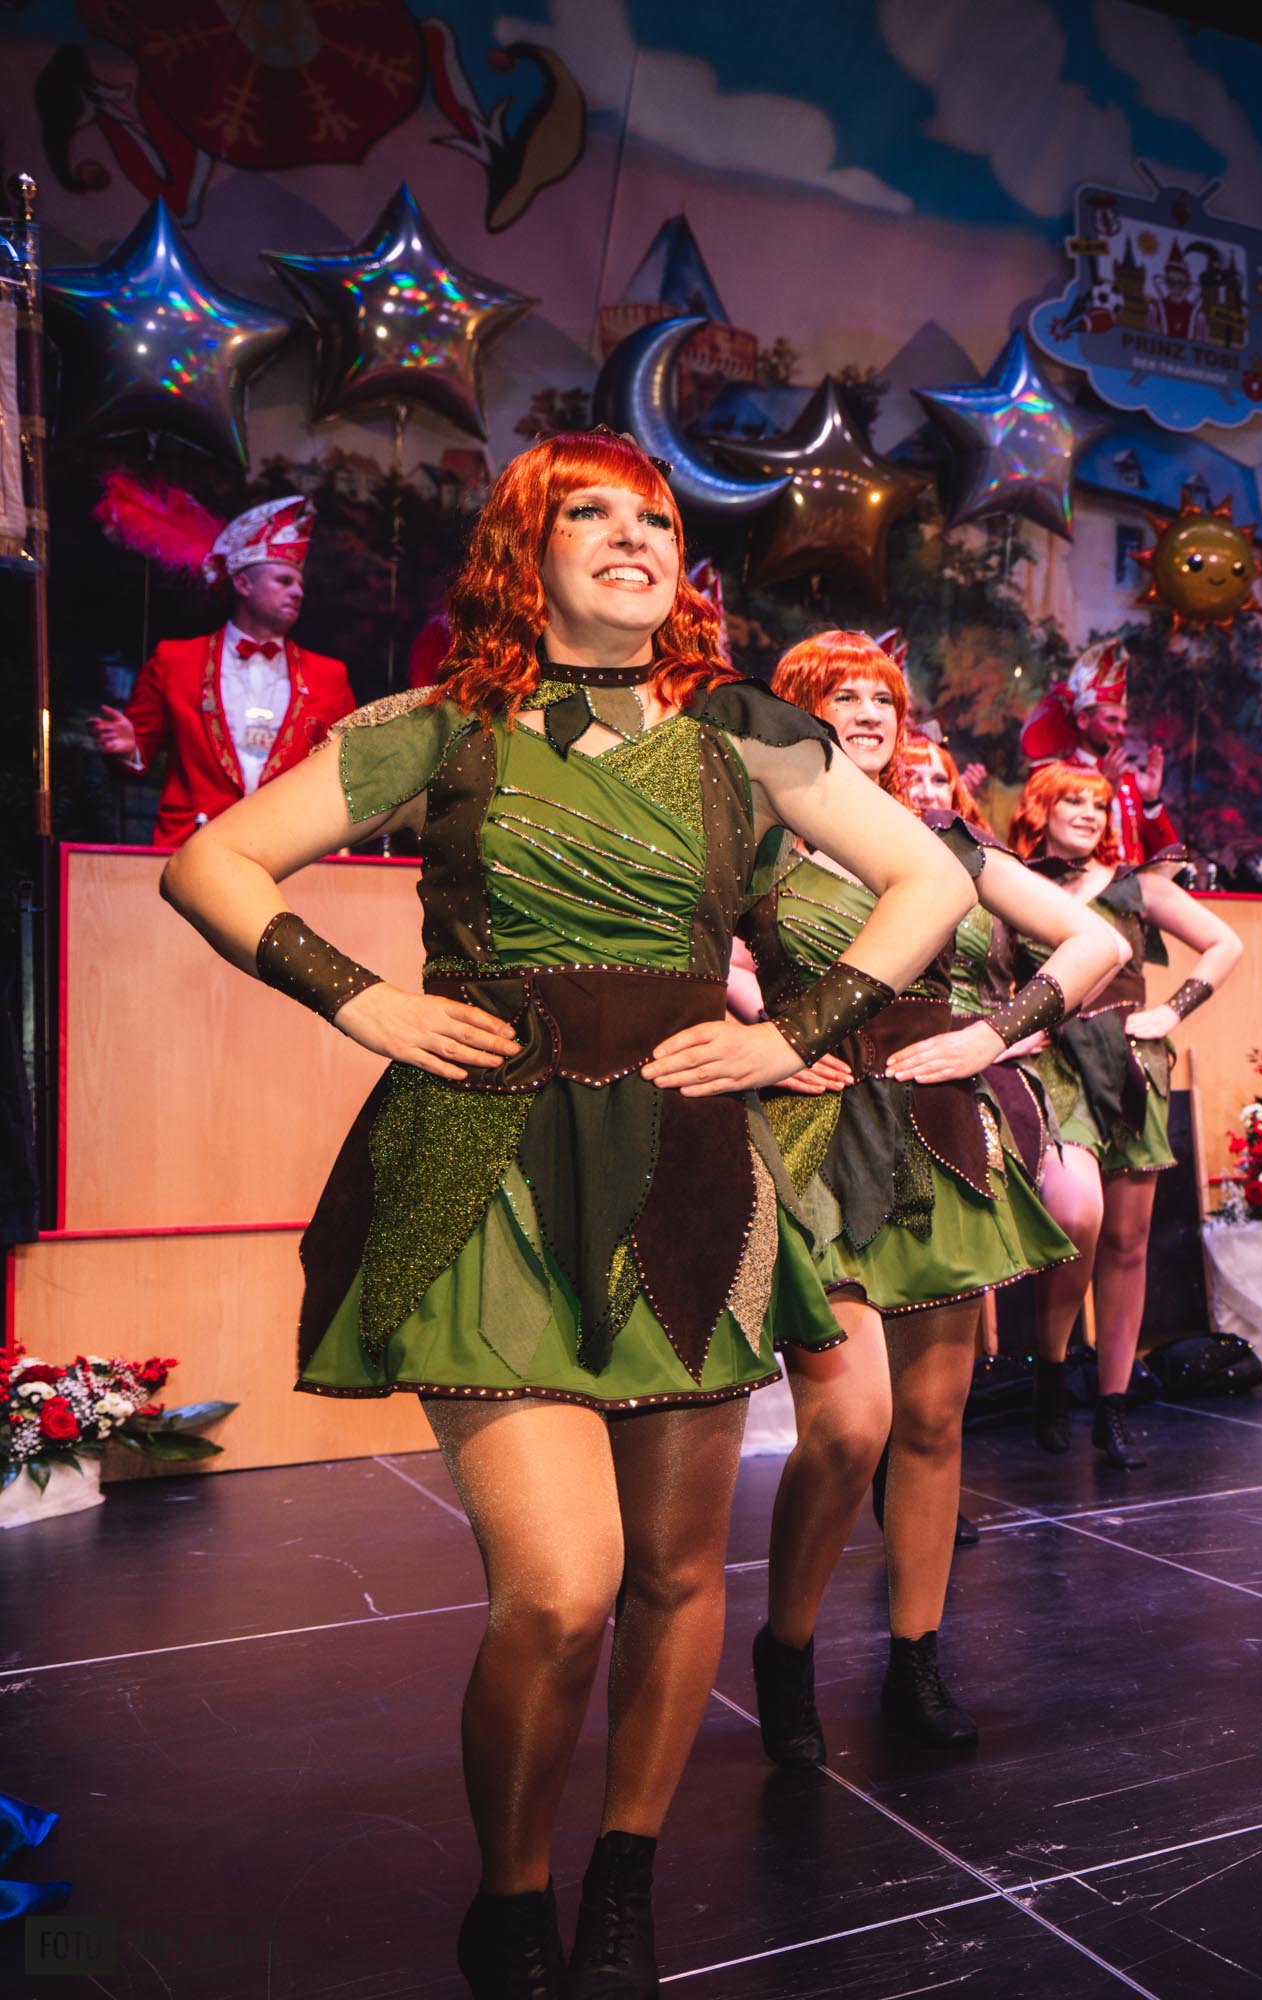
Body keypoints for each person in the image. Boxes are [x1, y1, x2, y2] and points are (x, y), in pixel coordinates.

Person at [156, 432, 979, 1997]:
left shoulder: (745, 730)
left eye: (653, 517)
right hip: (486, 1169)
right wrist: (359, 1001)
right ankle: (511, 1897)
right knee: (561, 1585)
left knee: (675, 1574)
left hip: (688, 1167)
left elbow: (929, 880)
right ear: (521, 553)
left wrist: (798, 1035)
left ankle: (623, 1882)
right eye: (586, 512)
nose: (630, 535)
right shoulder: (442, 724)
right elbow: (215, 861)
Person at [738, 630, 1125, 1763]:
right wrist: (756, 1038)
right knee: (848, 1426)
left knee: (934, 1420)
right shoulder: (754, 837)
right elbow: (670, 958)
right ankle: (787, 1646)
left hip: (936, 1134)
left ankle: (917, 1653)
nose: (869, 712)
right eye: (842, 694)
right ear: (795, 713)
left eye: (883, 697)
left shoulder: (946, 841)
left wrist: (992, 1035)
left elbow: (1094, 942)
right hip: (813, 1140)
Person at [1010, 764, 1243, 1469]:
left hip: (1132, 1066)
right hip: (1054, 1065)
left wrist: (1172, 1011)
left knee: (1128, 1242)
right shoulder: (1014, 882)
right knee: (1076, 1218)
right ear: (1041, 808)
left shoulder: (1135, 885)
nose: (1088, 812)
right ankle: (1052, 1369)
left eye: (1099, 803)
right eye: (1073, 800)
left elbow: (1225, 943)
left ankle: (1112, 1404)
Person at [90, 492, 356, 847]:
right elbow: (139, 756)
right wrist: (129, 750)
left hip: (291, 851)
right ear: (243, 584)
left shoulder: (329, 676)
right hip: (193, 844)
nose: (297, 593)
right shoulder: (175, 660)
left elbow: (346, 771)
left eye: (300, 585)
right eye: (284, 581)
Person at [1019, 638, 1175, 863]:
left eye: (1124, 722)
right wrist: (1104, 793)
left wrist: (1151, 800)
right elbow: (1033, 846)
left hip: (1132, 886)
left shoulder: (1131, 779)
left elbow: (1167, 859)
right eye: (1111, 720)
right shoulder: (1051, 776)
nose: (1121, 730)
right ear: (1083, 720)